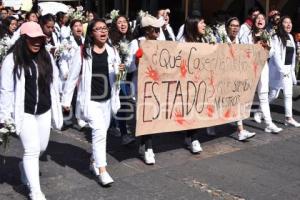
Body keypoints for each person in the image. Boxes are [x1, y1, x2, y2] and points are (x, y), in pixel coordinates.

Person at [0, 21, 63, 200]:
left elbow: (55, 80)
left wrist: (60, 101)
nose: (37, 42)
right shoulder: (11, 59)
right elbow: (5, 89)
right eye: (32, 39)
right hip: (24, 112)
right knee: (32, 150)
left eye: (40, 39)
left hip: (43, 110)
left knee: (42, 147)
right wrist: (4, 116)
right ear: (23, 39)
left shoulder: (46, 57)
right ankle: (35, 190)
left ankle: (23, 166)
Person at [62, 19, 123, 186]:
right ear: (91, 33)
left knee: (102, 134)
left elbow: (118, 79)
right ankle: (102, 170)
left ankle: (93, 162)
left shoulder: (113, 51)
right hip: (91, 101)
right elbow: (73, 77)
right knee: (99, 133)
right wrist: (66, 100)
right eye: (98, 29)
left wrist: (121, 73)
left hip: (107, 100)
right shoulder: (83, 52)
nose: (103, 32)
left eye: (105, 28)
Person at [129, 14, 165, 164]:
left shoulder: (160, 43)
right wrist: (138, 59)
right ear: (147, 30)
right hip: (142, 85)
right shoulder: (136, 43)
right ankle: (149, 148)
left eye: (158, 28)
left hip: (157, 85)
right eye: (155, 28)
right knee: (146, 116)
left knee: (151, 116)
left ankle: (143, 145)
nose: (158, 31)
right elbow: (130, 67)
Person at [241, 13, 282, 133]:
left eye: (262, 19)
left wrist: (266, 47)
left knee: (263, 96)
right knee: (244, 95)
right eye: (258, 18)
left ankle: (269, 123)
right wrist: (254, 46)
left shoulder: (267, 35)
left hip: (263, 67)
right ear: (254, 21)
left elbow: (271, 53)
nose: (260, 20)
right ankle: (237, 122)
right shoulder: (248, 34)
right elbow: (243, 49)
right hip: (249, 68)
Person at [218, 17, 256, 141]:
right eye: (232, 26)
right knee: (218, 102)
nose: (235, 28)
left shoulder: (241, 41)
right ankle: (211, 124)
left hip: (235, 77)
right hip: (222, 76)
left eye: (237, 26)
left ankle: (240, 130)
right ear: (227, 27)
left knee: (237, 101)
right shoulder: (221, 40)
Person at [109, 14, 136, 145]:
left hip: (128, 75)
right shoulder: (111, 42)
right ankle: (124, 134)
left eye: (125, 21)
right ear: (115, 25)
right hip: (117, 76)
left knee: (120, 101)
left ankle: (114, 125)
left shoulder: (131, 39)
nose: (123, 24)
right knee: (122, 101)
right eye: (119, 22)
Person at [269, 16, 300, 127]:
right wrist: (282, 70)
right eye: (286, 22)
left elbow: (292, 57)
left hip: (287, 70)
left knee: (288, 94)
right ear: (281, 24)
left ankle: (288, 118)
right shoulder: (275, 38)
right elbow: (276, 56)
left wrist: (292, 73)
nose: (288, 24)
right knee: (273, 95)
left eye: (290, 22)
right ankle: (260, 110)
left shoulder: (291, 37)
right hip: (279, 71)